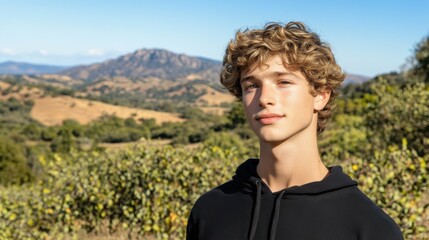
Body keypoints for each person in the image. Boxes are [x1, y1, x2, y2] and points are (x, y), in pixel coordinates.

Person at [186, 22, 403, 240]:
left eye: (283, 82)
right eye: (251, 86)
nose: (264, 99)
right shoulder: (209, 211)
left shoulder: (371, 228)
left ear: (320, 95)